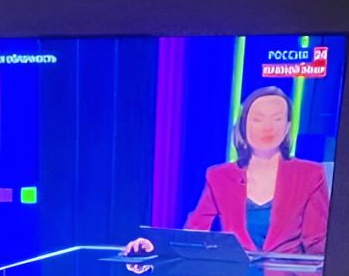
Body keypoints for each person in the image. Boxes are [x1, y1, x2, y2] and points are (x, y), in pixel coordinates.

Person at [124, 86, 329, 258]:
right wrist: (155, 246)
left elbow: (318, 242)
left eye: (277, 119)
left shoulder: (310, 175)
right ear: (243, 126)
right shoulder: (219, 177)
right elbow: (194, 235)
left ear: (287, 126)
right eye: (257, 119)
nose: (267, 127)